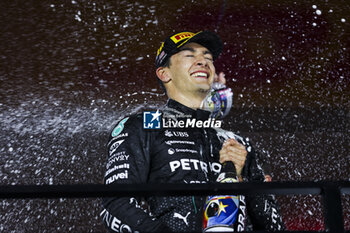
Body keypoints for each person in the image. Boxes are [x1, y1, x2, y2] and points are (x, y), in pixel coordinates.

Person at [100, 31, 285, 232]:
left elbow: (272, 225)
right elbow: (115, 203)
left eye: (208, 58)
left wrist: (242, 179)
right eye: (189, 55)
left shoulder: (238, 143)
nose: (203, 62)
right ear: (164, 73)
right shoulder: (144, 126)